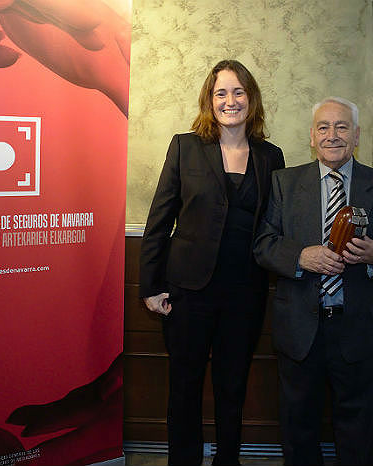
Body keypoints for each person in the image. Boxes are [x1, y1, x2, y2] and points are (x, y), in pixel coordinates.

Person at [254, 97, 373, 465]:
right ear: (312, 137)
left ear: (356, 135)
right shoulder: (284, 182)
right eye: (323, 127)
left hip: (357, 327)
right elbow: (263, 244)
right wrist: (300, 256)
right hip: (299, 328)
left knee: (355, 428)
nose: (333, 135)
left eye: (342, 127)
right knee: (298, 428)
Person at [139, 59, 285, 466]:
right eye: (221, 93)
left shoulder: (271, 156)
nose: (230, 101)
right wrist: (150, 286)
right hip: (188, 291)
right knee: (184, 387)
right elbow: (159, 220)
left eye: (239, 92)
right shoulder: (184, 147)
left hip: (245, 294)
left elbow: (275, 224)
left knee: (232, 386)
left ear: (251, 100)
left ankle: (227, 460)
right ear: (210, 100)